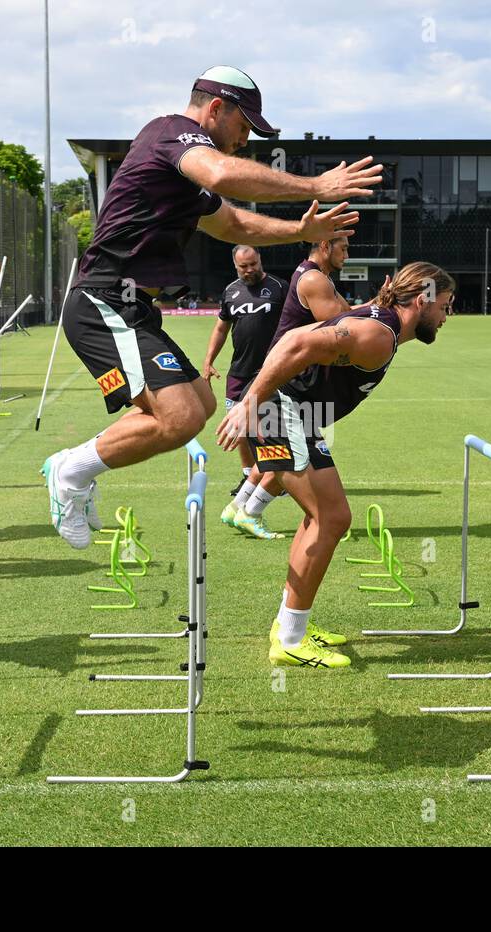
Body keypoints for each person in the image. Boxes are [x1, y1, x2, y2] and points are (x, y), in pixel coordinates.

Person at [46, 64, 380, 549]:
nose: (244, 141)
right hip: (103, 300)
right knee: (179, 417)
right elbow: (223, 172)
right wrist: (314, 186)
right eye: (244, 128)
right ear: (216, 108)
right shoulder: (171, 134)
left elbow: (233, 226)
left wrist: (301, 233)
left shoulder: (184, 176)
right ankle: (71, 472)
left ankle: (80, 467)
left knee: (199, 405)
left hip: (132, 308)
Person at [215, 262, 454, 669]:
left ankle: (289, 626)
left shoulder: (381, 324)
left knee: (323, 518)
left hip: (291, 413)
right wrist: (251, 404)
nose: (448, 316)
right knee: (331, 518)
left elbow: (293, 334)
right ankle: (289, 639)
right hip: (278, 411)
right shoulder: (377, 335)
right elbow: (294, 346)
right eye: (446, 306)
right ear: (422, 301)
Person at [202, 245, 288, 539]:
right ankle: (252, 484)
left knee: (267, 438)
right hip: (239, 375)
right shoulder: (231, 292)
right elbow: (220, 329)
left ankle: (252, 490)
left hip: (269, 376)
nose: (249, 270)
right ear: (236, 267)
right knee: (244, 434)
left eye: (252, 264)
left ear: (260, 260)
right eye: (243, 267)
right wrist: (209, 360)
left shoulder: (279, 288)